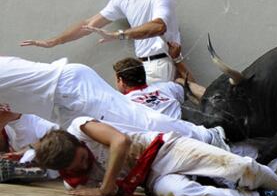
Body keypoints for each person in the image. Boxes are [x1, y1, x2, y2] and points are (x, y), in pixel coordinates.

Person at [35, 117, 277, 196]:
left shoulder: (81, 128)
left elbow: (120, 141)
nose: (82, 167)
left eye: (81, 158)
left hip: (162, 150)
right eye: (74, 168)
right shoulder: (72, 181)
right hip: (149, 181)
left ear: (77, 143)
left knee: (238, 167)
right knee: (185, 194)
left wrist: (104, 188)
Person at [20, 0, 187, 84]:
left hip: (159, 64)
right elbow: (89, 25)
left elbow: (158, 26)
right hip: (142, 67)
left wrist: (119, 35)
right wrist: (54, 42)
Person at [0, 56, 229, 150]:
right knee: (97, 149)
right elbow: (8, 116)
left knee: (136, 122)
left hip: (71, 88)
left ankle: (210, 136)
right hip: (63, 105)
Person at [113, 57, 184, 119]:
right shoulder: (169, 87)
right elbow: (193, 89)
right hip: (184, 132)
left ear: (120, 81)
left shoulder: (121, 104)